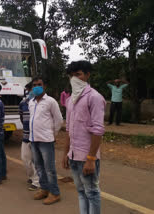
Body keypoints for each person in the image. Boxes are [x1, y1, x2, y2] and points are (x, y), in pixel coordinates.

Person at [63, 61, 105, 214]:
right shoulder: (70, 100)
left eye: (78, 74)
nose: (74, 79)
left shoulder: (94, 98)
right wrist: (66, 153)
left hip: (87, 157)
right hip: (73, 155)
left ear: (87, 75)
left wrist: (91, 159)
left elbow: (98, 130)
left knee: (92, 193)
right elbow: (69, 129)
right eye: (72, 75)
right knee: (81, 192)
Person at [29, 76, 63, 205]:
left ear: (44, 86)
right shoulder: (31, 102)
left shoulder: (51, 101)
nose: (37, 87)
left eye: (40, 84)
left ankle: (55, 193)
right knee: (39, 166)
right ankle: (44, 189)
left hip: (46, 140)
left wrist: (53, 134)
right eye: (35, 85)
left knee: (49, 168)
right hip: (33, 139)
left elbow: (59, 120)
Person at [19, 82, 40, 191]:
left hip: (37, 137)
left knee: (36, 160)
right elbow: (22, 118)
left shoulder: (40, 103)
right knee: (25, 159)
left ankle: (36, 182)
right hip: (26, 136)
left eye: (31, 89)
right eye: (28, 90)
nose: (29, 92)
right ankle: (32, 177)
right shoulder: (22, 103)